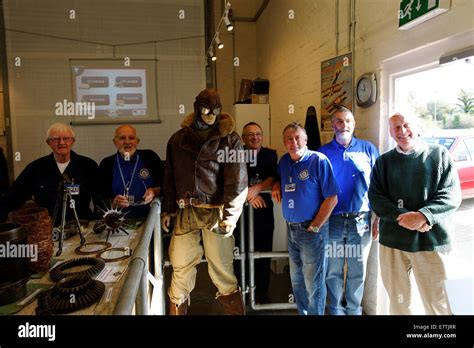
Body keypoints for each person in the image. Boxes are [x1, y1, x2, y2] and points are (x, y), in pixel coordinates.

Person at [161, 88, 248, 315]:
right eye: (206, 109)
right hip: (185, 211)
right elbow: (170, 175)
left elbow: (237, 182)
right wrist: (168, 209)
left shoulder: (230, 140)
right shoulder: (177, 140)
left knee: (222, 268)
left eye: (215, 110)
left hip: (216, 212)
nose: (210, 114)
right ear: (196, 108)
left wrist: (230, 216)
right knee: (180, 266)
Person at [368, 113, 461, 315]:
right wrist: (402, 216)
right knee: (399, 303)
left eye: (406, 125)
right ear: (390, 133)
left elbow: (451, 195)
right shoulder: (383, 162)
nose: (402, 131)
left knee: (438, 303)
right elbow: (375, 197)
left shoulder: (439, 155)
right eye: (396, 128)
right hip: (393, 242)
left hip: (431, 241)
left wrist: (424, 215)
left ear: (417, 126)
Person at [272, 122, 339, 315]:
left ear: (305, 140)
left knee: (314, 282)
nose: (293, 142)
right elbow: (279, 178)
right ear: (284, 142)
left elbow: (332, 198)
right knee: (297, 279)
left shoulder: (319, 160)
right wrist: (276, 184)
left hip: (312, 230)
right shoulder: (284, 161)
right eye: (289, 139)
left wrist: (316, 226)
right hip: (292, 229)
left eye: (297, 138)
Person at [318, 106, 379, 315]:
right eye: (339, 121)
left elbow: (378, 186)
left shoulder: (368, 149)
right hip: (332, 221)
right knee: (333, 269)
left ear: (354, 124)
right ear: (332, 125)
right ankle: (335, 309)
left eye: (348, 121)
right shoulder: (322, 153)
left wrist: (378, 217)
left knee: (357, 270)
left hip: (361, 221)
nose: (344, 125)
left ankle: (354, 310)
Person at [0, 123, 99, 224]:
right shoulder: (35, 168)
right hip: (48, 230)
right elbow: (13, 197)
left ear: (72, 141)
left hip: (82, 228)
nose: (61, 143)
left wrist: (99, 225)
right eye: (55, 139)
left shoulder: (88, 166)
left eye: (66, 139)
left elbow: (100, 199)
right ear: (48, 143)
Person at [235, 122, 277, 303]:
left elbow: (273, 177)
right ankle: (241, 290)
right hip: (239, 212)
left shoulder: (270, 154)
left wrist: (257, 188)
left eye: (258, 134)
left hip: (263, 211)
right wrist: (249, 195)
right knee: (239, 251)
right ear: (243, 138)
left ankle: (261, 292)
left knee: (264, 250)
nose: (255, 137)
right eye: (250, 134)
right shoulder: (235, 155)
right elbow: (231, 179)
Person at [98, 124, 164, 218]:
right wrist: (113, 202)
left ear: (137, 141)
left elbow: (167, 186)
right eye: (122, 138)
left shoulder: (150, 157)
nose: (127, 142)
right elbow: (99, 198)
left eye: (131, 138)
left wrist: (154, 191)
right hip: (117, 221)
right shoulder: (106, 164)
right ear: (115, 142)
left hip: (149, 218)